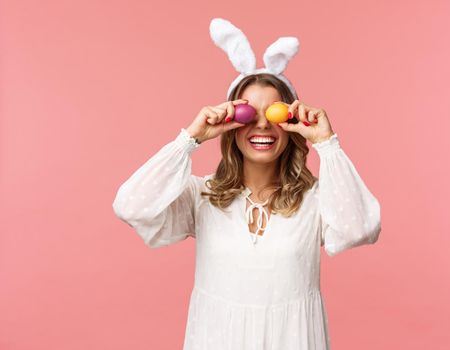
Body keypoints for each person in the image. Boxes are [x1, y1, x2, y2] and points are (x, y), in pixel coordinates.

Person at [112, 18, 381, 350]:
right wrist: (190, 139)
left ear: (292, 122)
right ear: (230, 123)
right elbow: (130, 205)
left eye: (275, 113)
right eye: (248, 113)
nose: (262, 125)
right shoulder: (202, 196)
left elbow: (361, 228)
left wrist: (328, 144)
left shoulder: (315, 199)